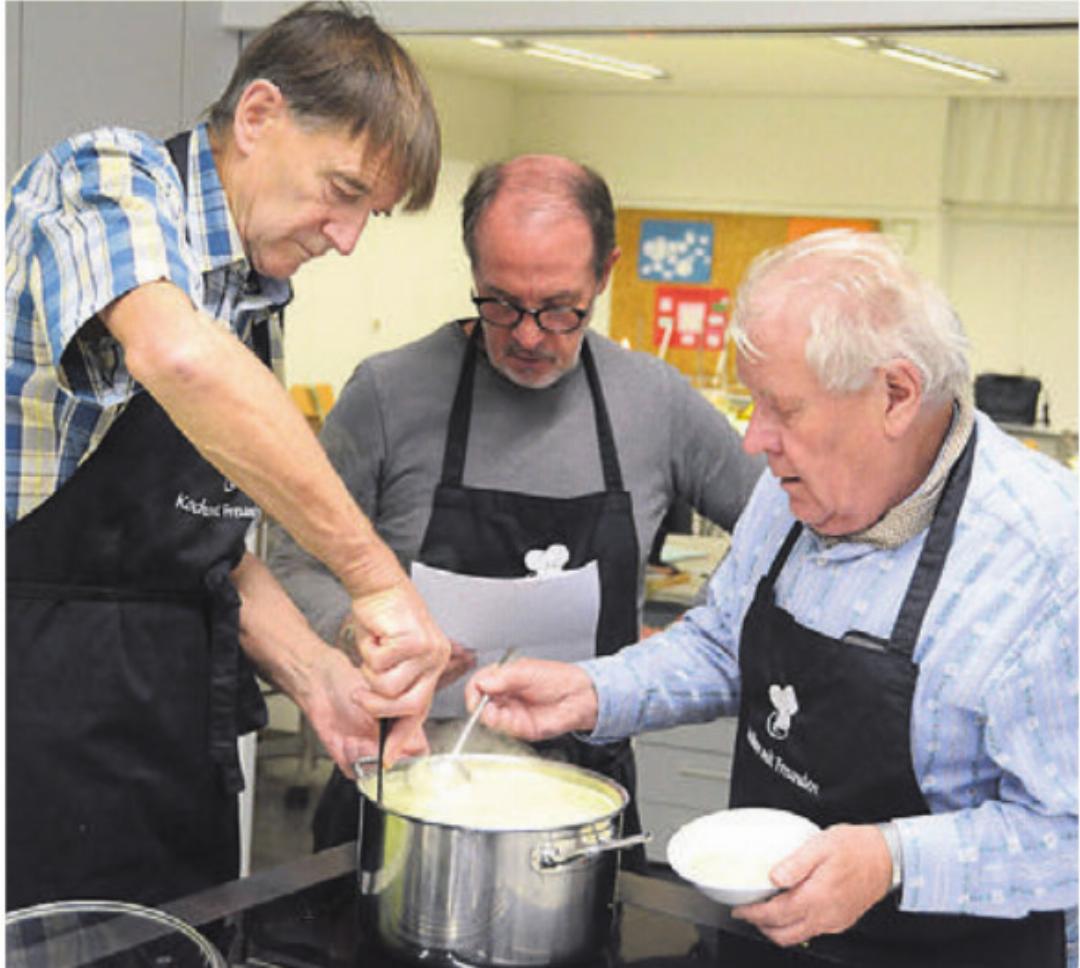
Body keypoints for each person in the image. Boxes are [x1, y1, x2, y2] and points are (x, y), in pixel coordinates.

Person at [468, 229, 1077, 966]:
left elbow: (1066, 831)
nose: (755, 440)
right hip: (763, 943)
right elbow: (722, 642)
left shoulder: (1048, 559)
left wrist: (890, 860)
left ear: (896, 394)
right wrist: (593, 691)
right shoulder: (792, 493)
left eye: (783, 409)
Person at [6, 2, 451, 910]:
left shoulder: (252, 295)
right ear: (257, 116)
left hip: (171, 739)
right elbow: (175, 355)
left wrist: (319, 676)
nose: (349, 235)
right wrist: (375, 579)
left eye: (370, 211)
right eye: (344, 190)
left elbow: (196, 544)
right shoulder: (108, 180)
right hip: (33, 717)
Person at [267, 154, 764, 864]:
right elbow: (291, 564)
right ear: (471, 271)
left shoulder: (656, 404)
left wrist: (701, 629)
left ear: (605, 272)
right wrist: (359, 631)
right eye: (500, 303)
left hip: (580, 802)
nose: (529, 335)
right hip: (407, 785)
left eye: (561, 308)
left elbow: (789, 531)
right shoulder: (387, 394)